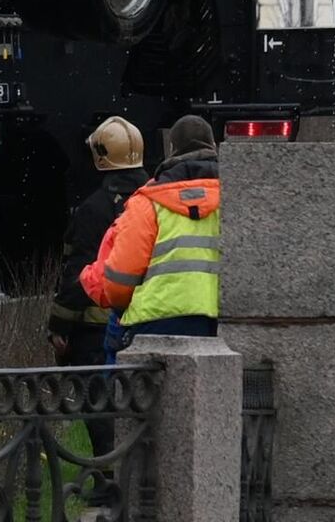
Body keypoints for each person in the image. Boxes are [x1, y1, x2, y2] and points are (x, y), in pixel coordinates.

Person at [48, 117, 147, 457]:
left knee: (99, 405)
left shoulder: (93, 209)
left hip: (96, 326)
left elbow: (79, 273)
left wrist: (59, 326)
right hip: (147, 319)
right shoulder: (153, 200)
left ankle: (107, 479)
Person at [82, 114, 222, 341]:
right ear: (214, 147)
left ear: (171, 148)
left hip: (157, 322)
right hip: (222, 321)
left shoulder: (147, 203)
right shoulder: (236, 199)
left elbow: (119, 284)